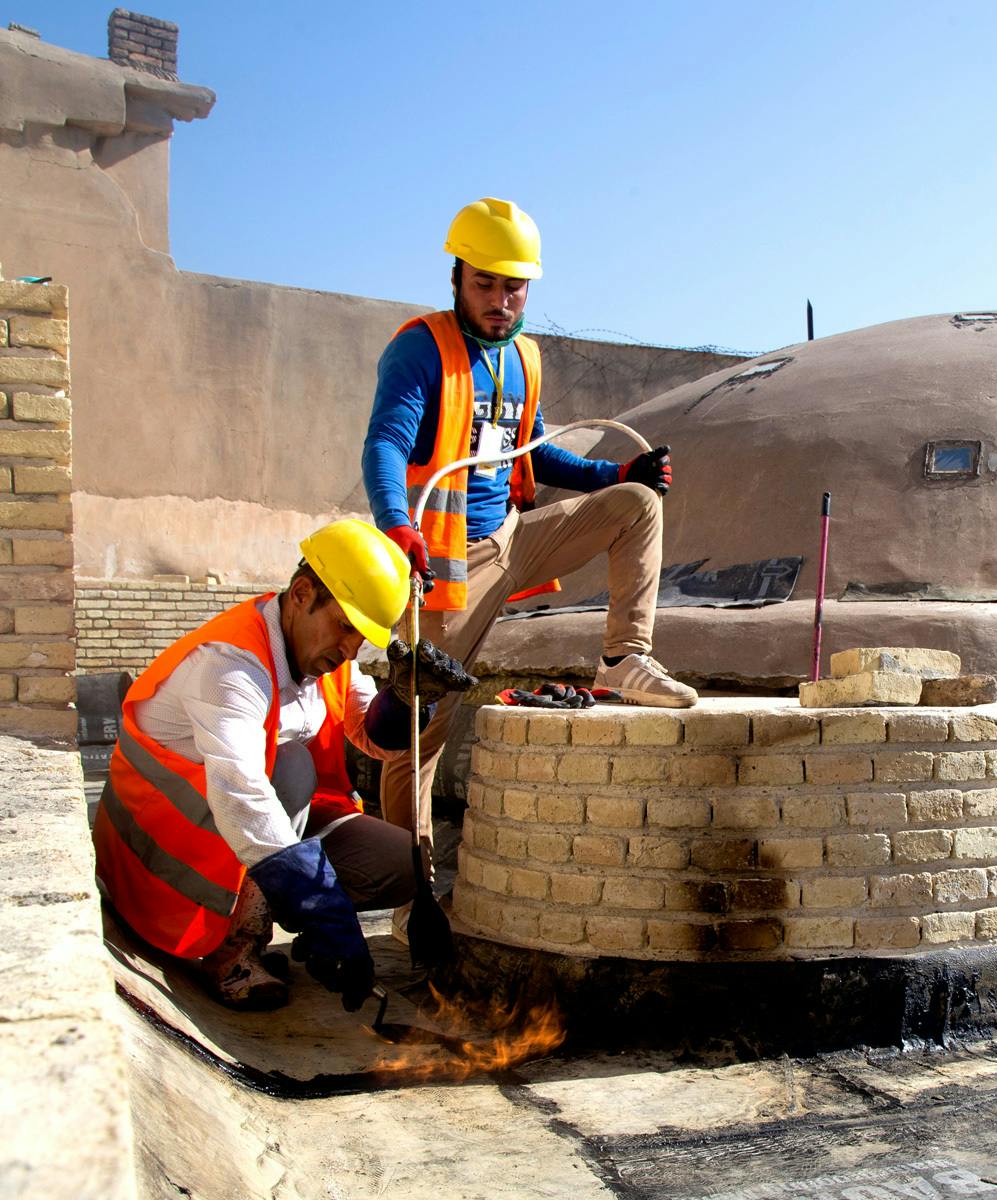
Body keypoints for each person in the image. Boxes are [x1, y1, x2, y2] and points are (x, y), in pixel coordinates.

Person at [362, 195, 696, 846]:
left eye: (512, 287)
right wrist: (395, 523)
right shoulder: (420, 349)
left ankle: (624, 659)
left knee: (636, 506)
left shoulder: (524, 359)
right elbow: (385, 444)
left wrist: (615, 476)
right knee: (420, 731)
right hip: (447, 567)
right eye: (484, 283)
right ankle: (410, 889)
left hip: (516, 537)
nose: (499, 300)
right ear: (457, 277)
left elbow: (531, 450)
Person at [91, 520, 425, 1011]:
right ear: (303, 593)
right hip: (162, 862)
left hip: (240, 827)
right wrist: (320, 906)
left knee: (401, 861)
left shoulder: (323, 653)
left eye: (362, 638)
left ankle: (294, 922)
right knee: (290, 768)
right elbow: (242, 794)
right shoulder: (229, 666)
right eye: (346, 627)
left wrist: (405, 702)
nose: (351, 649)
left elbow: (367, 732)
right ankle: (233, 951)